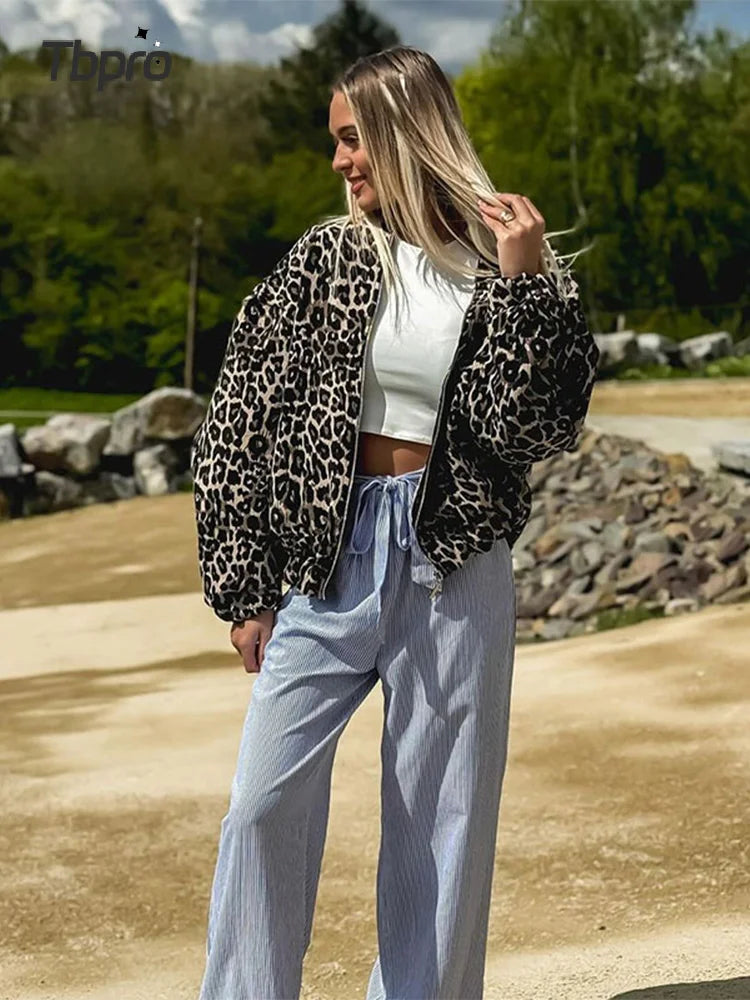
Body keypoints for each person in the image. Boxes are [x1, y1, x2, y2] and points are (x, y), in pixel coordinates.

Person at [191, 44, 600, 1000]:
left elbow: (530, 430)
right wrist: (243, 586)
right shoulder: (324, 259)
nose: (339, 160)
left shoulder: (503, 264)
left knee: (441, 821)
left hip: (452, 559)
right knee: (261, 804)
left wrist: (523, 287)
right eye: (336, 140)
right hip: (326, 561)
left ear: (405, 130)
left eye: (352, 138)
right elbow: (238, 420)